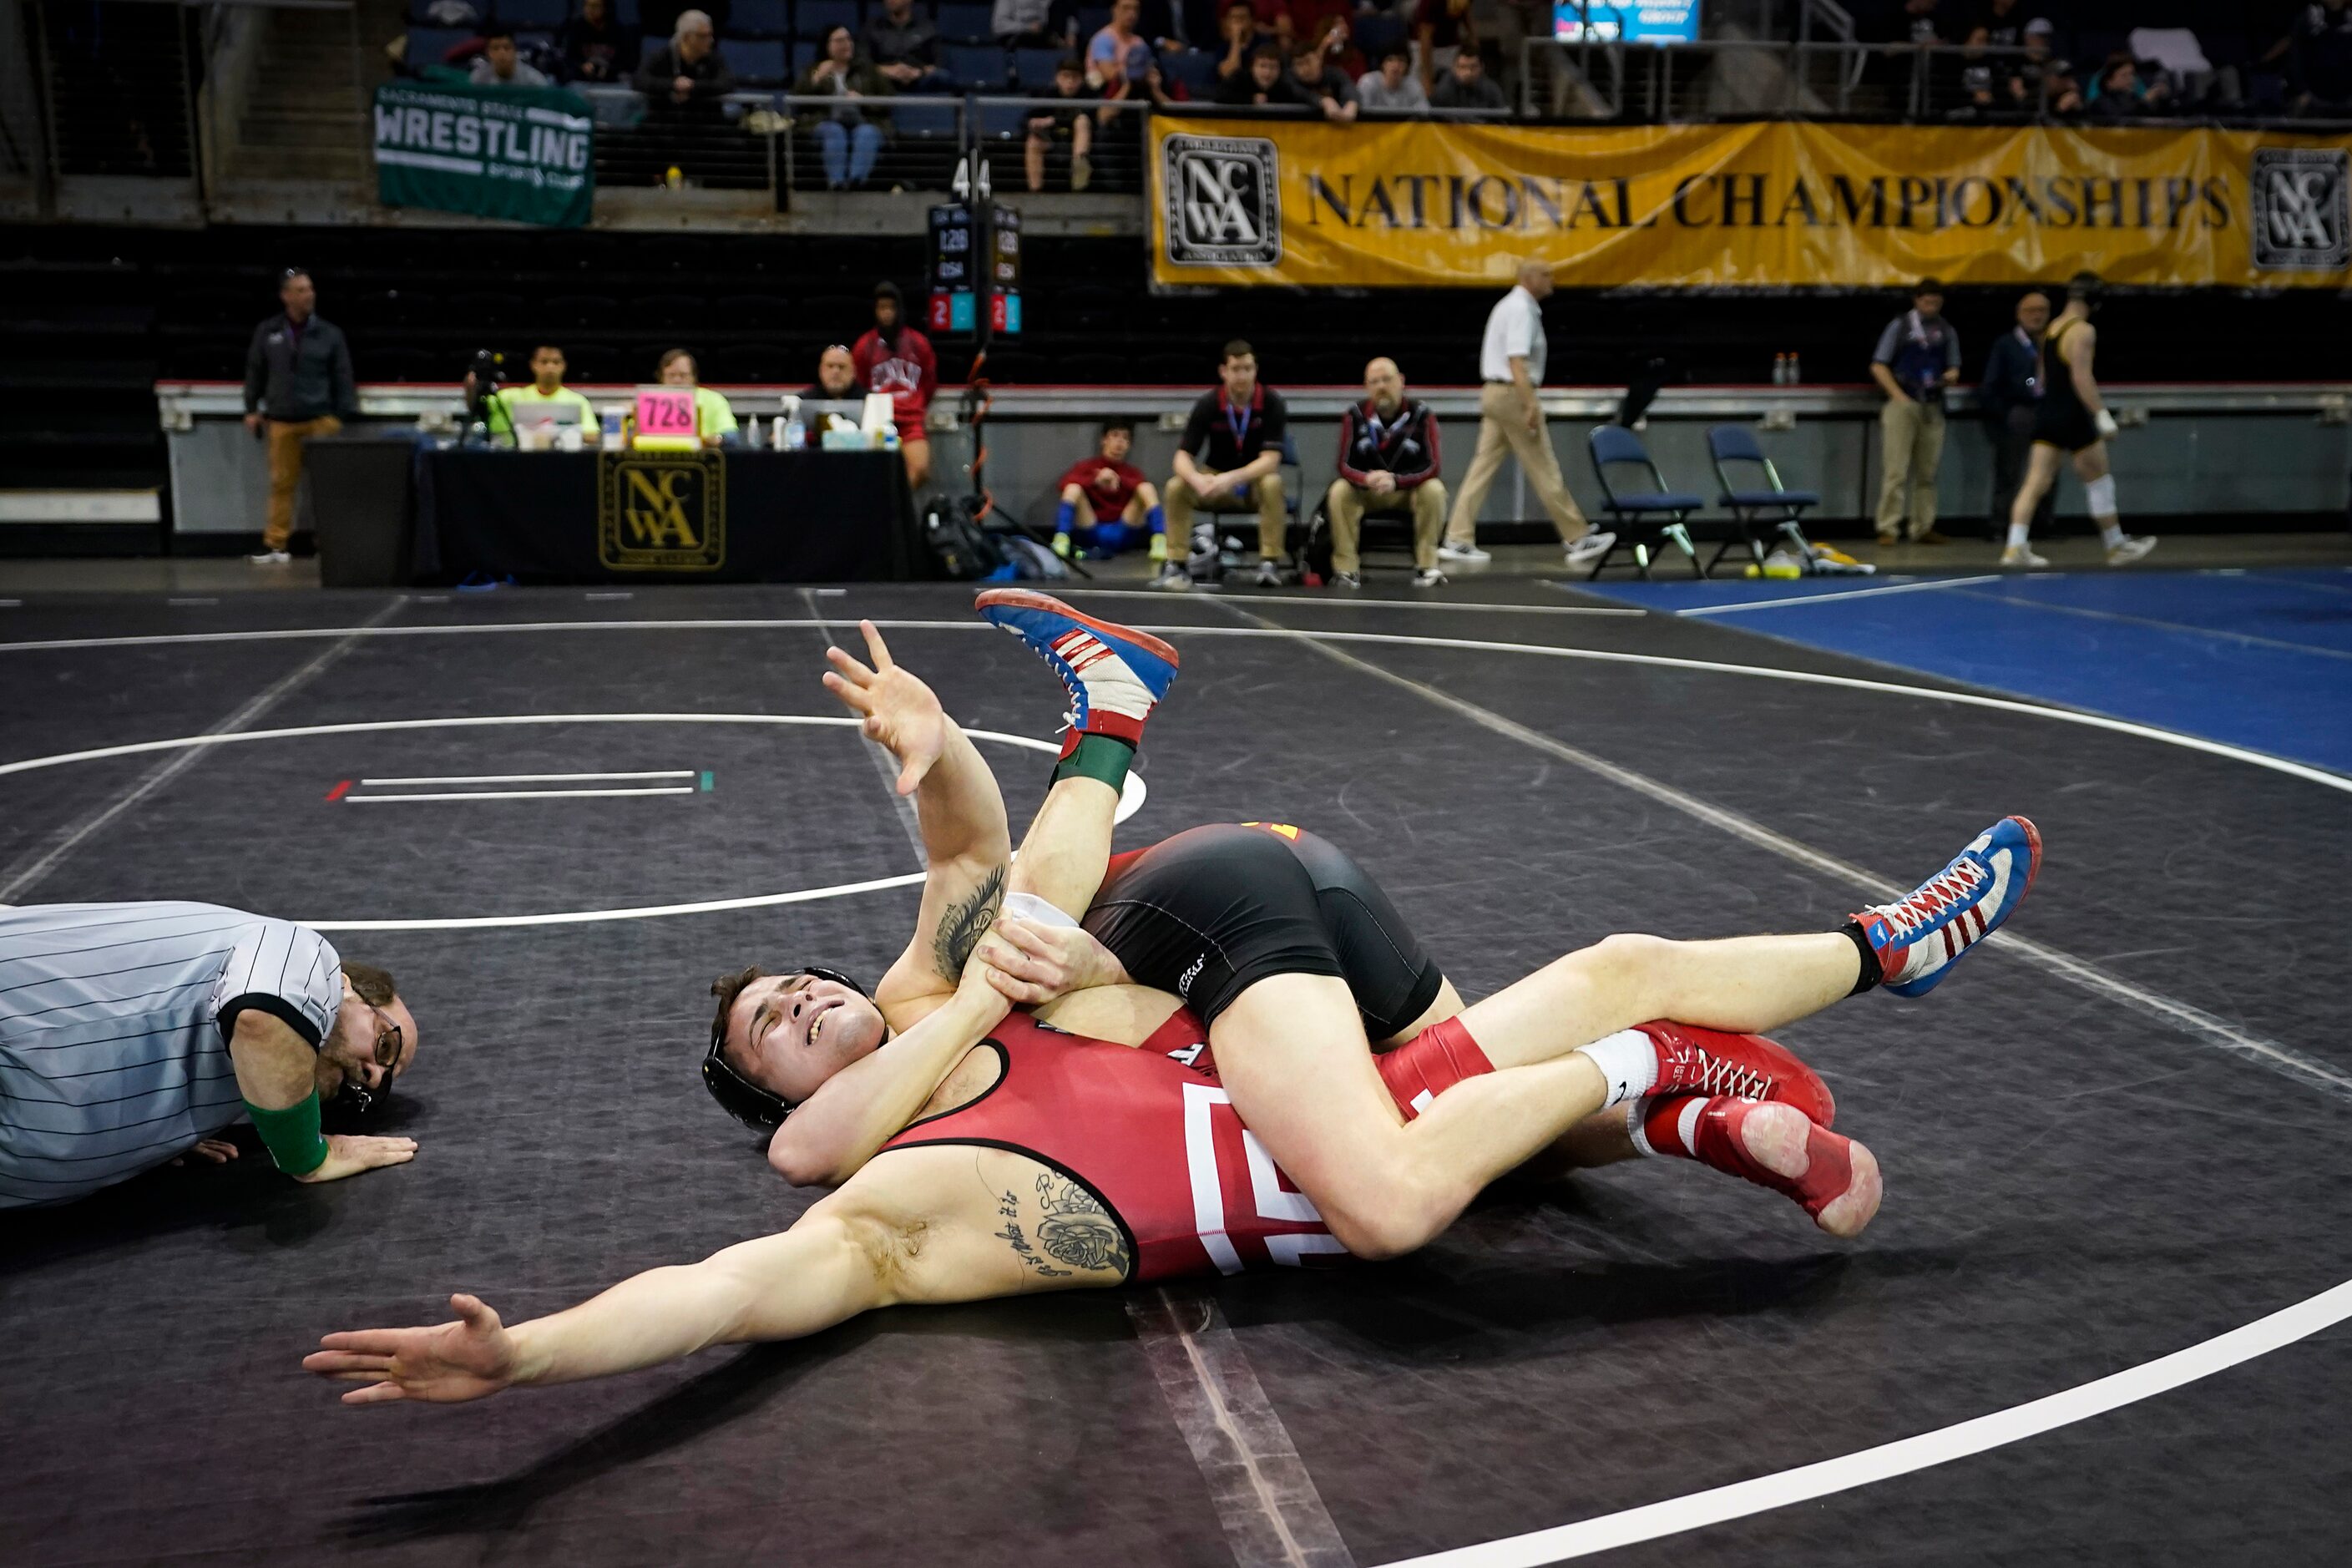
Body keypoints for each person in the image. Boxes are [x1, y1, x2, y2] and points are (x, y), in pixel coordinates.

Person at [306, 599, 2005, 1407]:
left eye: (799, 985)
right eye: (776, 1024)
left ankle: (1118, 718)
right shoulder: (893, 1197)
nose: (810, 997)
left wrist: (935, 756)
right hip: (1322, 1012)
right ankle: (1846, 979)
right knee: (1529, 1067)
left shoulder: (944, 993)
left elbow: (970, 846)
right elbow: (728, 1282)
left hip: (1219, 927)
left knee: (1393, 1192)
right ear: (779, 1104)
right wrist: (531, 1350)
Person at [2, 903, 420, 1208]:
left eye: (380, 1086)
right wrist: (309, 1157)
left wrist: (149, 1133)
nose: (372, 1076)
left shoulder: (227, 1096)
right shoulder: (304, 955)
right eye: (386, 1045)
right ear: (347, 987)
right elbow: (262, 1019)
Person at [1440, 259, 1611, 571]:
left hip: (1494, 393)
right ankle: (1577, 537)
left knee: (1482, 467)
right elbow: (1517, 361)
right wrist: (1530, 403)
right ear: (1529, 277)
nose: (1552, 280)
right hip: (1512, 394)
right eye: (1546, 274)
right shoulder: (1521, 309)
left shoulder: (1508, 305)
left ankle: (1457, 537)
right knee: (1543, 466)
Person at [2003, 272, 2157, 569]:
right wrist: (2100, 413)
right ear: (2095, 302)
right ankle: (2115, 545)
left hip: (2048, 412)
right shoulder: (2083, 331)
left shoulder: (2052, 329)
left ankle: (2015, 546)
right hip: (2073, 414)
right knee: (2099, 480)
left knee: (2035, 482)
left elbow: (2042, 377)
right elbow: (2080, 376)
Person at [240, 268, 357, 567]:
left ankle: (329, 543)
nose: (309, 295)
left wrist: (339, 416)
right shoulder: (269, 332)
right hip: (281, 419)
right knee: (281, 484)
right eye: (301, 290)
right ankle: (276, 544)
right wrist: (251, 408)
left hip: (320, 419)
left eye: (310, 289)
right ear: (286, 295)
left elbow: (343, 377)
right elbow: (255, 370)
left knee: (326, 484)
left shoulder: (330, 334)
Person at [1166, 340, 1289, 587]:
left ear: (1256, 370)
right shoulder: (1208, 404)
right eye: (1235, 369)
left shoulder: (1272, 403)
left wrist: (1231, 478)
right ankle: (1176, 564)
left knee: (1273, 483)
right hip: (1213, 479)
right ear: (1223, 371)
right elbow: (1182, 457)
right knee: (1176, 487)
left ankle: (1269, 562)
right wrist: (1197, 479)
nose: (1242, 375)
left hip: (1252, 482)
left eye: (1247, 368)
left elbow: (1271, 461)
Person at [1327, 357, 1447, 588]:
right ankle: (1346, 569)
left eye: (1387, 380)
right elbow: (1343, 464)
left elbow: (1433, 465)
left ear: (1401, 381)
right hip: (1368, 491)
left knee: (1434, 490)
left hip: (1407, 492)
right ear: (1366, 386)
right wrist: (1366, 478)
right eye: (1374, 382)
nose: (1381, 386)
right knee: (1339, 490)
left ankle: (1427, 566)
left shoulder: (1422, 415)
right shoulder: (1355, 415)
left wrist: (1397, 481)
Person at [1869, 277, 1961, 547]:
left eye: (1936, 302)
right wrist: (1898, 396)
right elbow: (1879, 365)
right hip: (1903, 403)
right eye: (1927, 301)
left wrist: (1950, 375)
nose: (1931, 306)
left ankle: (1923, 525)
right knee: (1895, 470)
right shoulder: (1900, 327)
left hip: (1932, 404)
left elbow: (1954, 365)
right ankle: (1888, 526)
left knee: (1927, 471)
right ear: (1916, 300)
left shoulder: (1946, 330)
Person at [1978, 291, 2054, 543]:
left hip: (2045, 413)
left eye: (2041, 311)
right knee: (2010, 473)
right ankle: (2000, 525)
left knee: (2047, 472)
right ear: (2019, 314)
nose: (2037, 316)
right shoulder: (2006, 345)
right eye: (2031, 311)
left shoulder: (2051, 342)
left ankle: (2041, 524)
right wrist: (2004, 414)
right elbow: (1990, 385)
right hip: (2017, 413)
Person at [852, 281, 938, 490]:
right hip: (878, 420)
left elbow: (929, 383)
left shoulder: (919, 343)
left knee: (920, 469)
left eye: (891, 308)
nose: (887, 313)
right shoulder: (864, 346)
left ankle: (896, 513)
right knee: (871, 477)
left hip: (910, 421)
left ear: (899, 310)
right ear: (875, 311)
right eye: (882, 308)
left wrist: (913, 404)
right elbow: (859, 385)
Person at [631, 9, 736, 172]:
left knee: (732, 143)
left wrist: (693, 87)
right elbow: (639, 80)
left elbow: (728, 83)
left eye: (710, 35)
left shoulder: (714, 58)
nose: (710, 40)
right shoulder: (661, 56)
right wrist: (672, 85)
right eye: (704, 36)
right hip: (665, 124)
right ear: (687, 37)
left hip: (704, 125)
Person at [1053, 418, 1167, 563]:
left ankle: (1160, 540)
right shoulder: (1087, 467)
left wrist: (1118, 480)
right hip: (1091, 529)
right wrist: (1096, 481)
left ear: (1129, 445)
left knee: (1146, 488)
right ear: (1104, 440)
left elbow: (1141, 488)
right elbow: (1063, 485)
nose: (1119, 443)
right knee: (1072, 488)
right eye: (1114, 435)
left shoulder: (1133, 473)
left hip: (1123, 531)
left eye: (1125, 438)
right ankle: (1061, 540)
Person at [798, 25, 890, 190]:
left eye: (848, 39)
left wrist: (864, 101)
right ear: (827, 45)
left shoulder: (867, 70)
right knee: (834, 131)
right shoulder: (812, 70)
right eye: (840, 40)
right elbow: (797, 100)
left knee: (867, 133)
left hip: (864, 121)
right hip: (824, 122)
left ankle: (856, 183)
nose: (846, 44)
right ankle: (838, 184)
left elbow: (889, 100)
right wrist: (817, 79)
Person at [486, 344, 596, 444]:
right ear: (533, 365)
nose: (550, 367)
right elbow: (480, 403)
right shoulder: (510, 397)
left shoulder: (578, 401)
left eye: (556, 362)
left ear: (563, 366)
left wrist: (555, 432)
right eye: (544, 362)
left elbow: (592, 436)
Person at [1024, 57, 1095, 193]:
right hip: (1052, 140)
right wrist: (1033, 123)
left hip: (1079, 142)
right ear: (1057, 78)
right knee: (1033, 142)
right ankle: (1035, 192)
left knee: (1082, 121)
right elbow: (1027, 119)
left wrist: (1054, 120)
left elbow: (1091, 115)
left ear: (1081, 79)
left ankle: (1079, 169)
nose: (1070, 82)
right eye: (1065, 76)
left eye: (1074, 77)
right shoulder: (1047, 95)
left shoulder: (1089, 95)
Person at [655, 348, 739, 448]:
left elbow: (731, 437)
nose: (677, 380)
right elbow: (633, 432)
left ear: (694, 377)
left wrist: (717, 439)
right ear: (661, 378)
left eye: (683, 375)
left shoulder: (714, 399)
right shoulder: (650, 401)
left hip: (702, 458)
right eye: (671, 375)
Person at [863, 0, 948, 94]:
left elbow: (938, 65)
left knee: (943, 76)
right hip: (883, 83)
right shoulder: (872, 28)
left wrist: (918, 72)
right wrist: (887, 70)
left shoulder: (927, 29)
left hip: (919, 82)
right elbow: (862, 64)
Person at [2289, 0, 2352, 114]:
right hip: (2314, 99)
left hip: (2347, 98)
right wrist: (2303, 91)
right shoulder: (2307, 19)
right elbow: (2296, 58)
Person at [557, 0, 636, 85]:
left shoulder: (619, 31)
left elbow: (628, 62)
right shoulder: (577, 28)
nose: (589, 10)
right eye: (587, 6)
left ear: (606, 9)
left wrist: (609, 69)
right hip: (581, 80)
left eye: (595, 6)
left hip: (612, 82)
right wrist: (582, 65)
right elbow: (569, 57)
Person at [1285, 37, 1359, 120]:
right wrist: (1324, 101)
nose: (1305, 69)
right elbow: (1301, 93)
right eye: (1299, 64)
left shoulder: (1335, 74)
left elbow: (1348, 86)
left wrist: (1352, 103)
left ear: (1319, 59)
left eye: (1308, 61)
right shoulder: (1289, 79)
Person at [1414, 0, 1474, 96]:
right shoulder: (1430, 3)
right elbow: (1425, 38)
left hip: (1450, 47)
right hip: (1424, 46)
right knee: (1420, 89)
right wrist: (1427, 77)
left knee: (1452, 87)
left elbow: (1465, 12)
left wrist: (1472, 37)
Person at [1429, 43, 1506, 110]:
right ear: (1454, 68)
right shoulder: (1443, 90)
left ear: (1482, 68)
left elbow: (1501, 119)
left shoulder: (1492, 90)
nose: (1468, 72)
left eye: (1473, 67)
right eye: (1463, 67)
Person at [1215, 43, 1295, 105]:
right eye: (1262, 66)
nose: (1267, 72)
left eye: (1273, 67)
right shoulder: (1240, 78)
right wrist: (1251, 99)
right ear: (1252, 68)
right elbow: (1220, 96)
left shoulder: (1284, 85)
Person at [468, 25, 549, 86]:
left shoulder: (534, 81)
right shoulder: (478, 79)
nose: (502, 53)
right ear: (488, 53)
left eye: (507, 48)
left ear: (515, 51)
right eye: (496, 48)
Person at [1358, 42, 1429, 111]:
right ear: (1382, 64)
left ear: (1407, 66)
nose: (1396, 66)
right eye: (1390, 60)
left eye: (1401, 60)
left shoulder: (1414, 86)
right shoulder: (1368, 83)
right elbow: (1360, 114)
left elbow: (1424, 114)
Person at [1213, 0, 1262, 80]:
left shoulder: (1263, 43)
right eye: (1233, 18)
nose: (1238, 22)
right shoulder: (1223, 46)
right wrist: (1236, 40)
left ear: (1252, 20)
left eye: (1242, 17)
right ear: (1228, 22)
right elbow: (1230, 74)